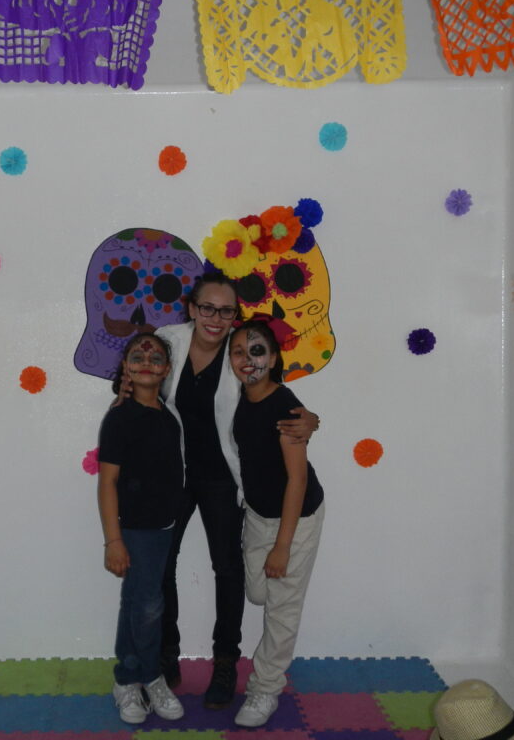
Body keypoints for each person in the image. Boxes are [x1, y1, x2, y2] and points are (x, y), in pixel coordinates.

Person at [149, 272, 319, 709]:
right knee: (162, 562)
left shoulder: (241, 353)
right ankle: (167, 652)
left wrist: (310, 419)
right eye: (208, 307)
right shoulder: (168, 342)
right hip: (174, 474)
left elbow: (273, 396)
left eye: (226, 311)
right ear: (192, 308)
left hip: (222, 478)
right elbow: (139, 381)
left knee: (228, 568)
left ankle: (225, 661)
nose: (216, 318)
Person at [227, 317, 326, 728]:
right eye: (238, 352)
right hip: (258, 513)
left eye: (257, 351)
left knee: (282, 607)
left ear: (273, 357)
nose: (247, 360)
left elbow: (297, 480)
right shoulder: (234, 398)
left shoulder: (285, 408)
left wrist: (283, 546)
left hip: (297, 516)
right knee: (257, 592)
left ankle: (265, 687)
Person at [97, 333, 186, 724]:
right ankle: (148, 675)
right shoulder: (120, 418)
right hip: (136, 529)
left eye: (156, 358)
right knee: (148, 606)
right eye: (138, 356)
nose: (147, 362)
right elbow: (108, 482)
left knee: (138, 601)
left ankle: (128, 678)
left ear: (167, 369)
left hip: (164, 526)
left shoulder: (168, 415)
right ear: (126, 368)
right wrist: (114, 540)